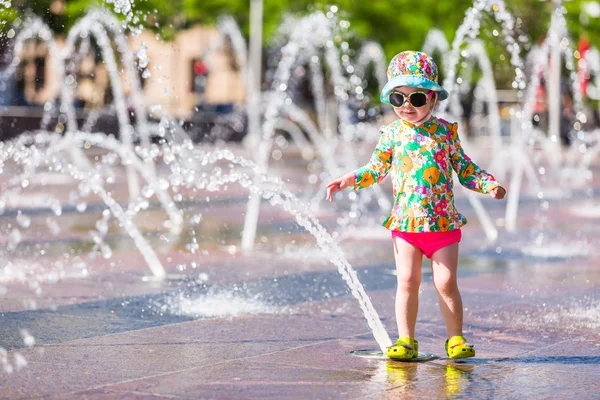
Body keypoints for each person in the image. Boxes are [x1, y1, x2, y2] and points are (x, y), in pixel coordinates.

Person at [326, 51, 506, 360]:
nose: (407, 105)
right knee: (407, 281)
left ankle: (455, 339)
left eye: (417, 97)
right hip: (406, 224)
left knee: (446, 281)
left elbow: (465, 168)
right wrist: (348, 180)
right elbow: (375, 169)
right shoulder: (392, 133)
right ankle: (406, 340)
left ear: (433, 98)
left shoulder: (446, 133)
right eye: (398, 98)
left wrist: (488, 184)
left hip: (442, 224)